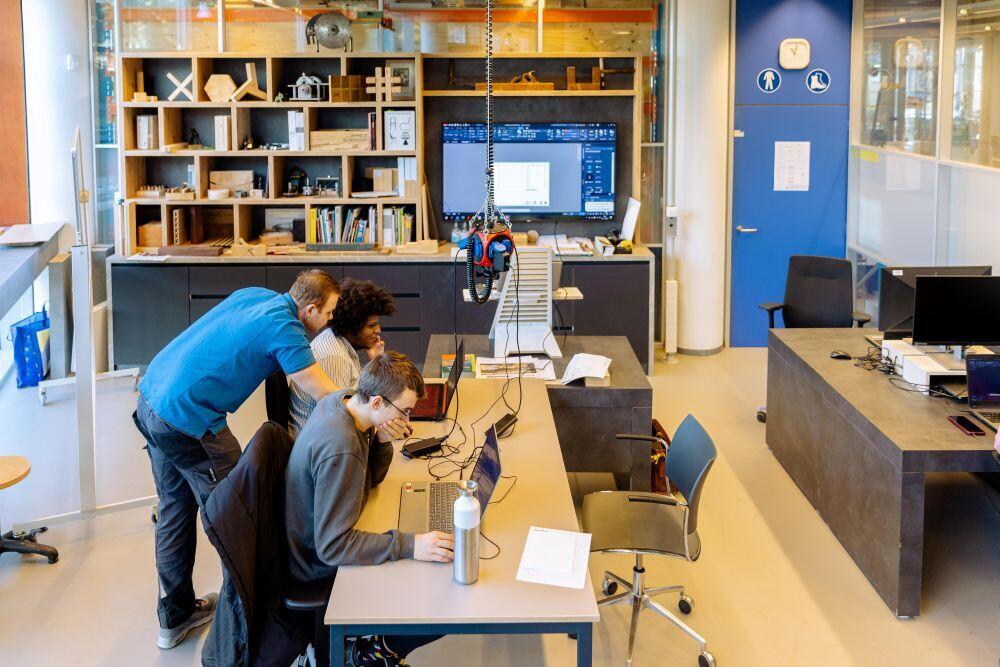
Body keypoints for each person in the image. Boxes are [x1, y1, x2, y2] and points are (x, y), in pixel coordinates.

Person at [133, 269, 343, 650]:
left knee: (174, 511)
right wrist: (370, 407)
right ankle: (252, 626)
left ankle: (175, 617)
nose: (329, 321)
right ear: (310, 308)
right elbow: (322, 392)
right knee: (241, 515)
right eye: (328, 313)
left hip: (151, 398)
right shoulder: (287, 329)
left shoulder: (257, 295)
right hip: (188, 421)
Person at [285, 352, 453, 667]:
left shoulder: (344, 402)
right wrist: (410, 544)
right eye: (404, 412)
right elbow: (333, 547)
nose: (407, 422)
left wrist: (382, 441)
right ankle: (367, 655)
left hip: (322, 537)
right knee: (441, 603)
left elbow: (370, 479)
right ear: (376, 402)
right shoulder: (342, 446)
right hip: (319, 565)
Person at [288, 278, 396, 438]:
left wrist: (376, 361)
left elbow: (361, 396)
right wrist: (385, 430)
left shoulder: (340, 345)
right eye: (371, 326)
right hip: (320, 452)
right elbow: (342, 419)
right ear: (352, 325)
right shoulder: (333, 357)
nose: (378, 330)